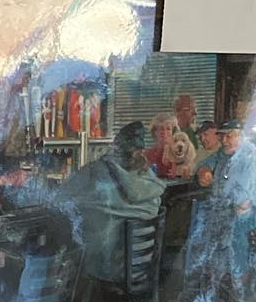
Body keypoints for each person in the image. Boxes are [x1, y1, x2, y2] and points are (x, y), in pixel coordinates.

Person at [61, 121, 166, 285]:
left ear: (115, 149)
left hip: (108, 271)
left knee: (66, 255)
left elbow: (59, 196)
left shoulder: (95, 170)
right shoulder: (149, 178)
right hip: (144, 270)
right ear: (140, 152)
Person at [144, 113, 178, 177]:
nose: (164, 132)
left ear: (173, 132)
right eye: (161, 128)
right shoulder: (148, 154)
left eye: (168, 129)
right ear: (155, 131)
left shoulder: (179, 153)